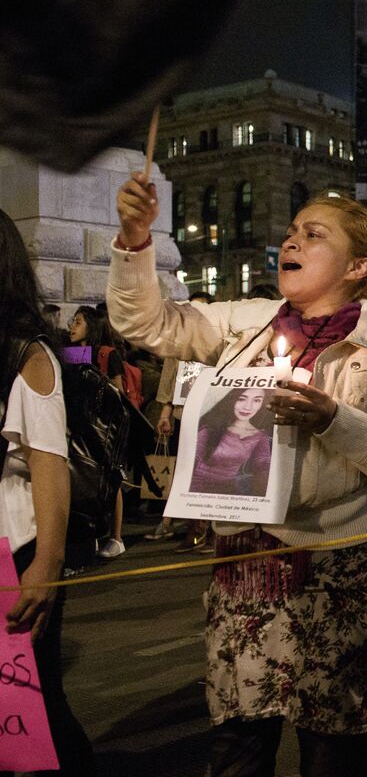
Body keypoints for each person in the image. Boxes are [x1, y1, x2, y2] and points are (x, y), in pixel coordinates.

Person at [110, 174, 367, 777]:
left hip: (342, 572)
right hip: (246, 569)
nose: (291, 242)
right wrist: (134, 241)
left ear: (359, 266)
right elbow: (146, 324)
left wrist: (334, 420)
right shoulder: (245, 325)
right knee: (238, 746)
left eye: (313, 235)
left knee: (331, 753)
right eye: (290, 233)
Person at [0, 208, 95, 775]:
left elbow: (48, 461)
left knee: (32, 706)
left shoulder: (27, 355)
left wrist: (49, 565)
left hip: (16, 555)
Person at [146, 290, 213, 546]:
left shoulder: (219, 341)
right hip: (184, 413)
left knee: (206, 469)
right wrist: (165, 414)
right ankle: (174, 521)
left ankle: (202, 526)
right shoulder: (179, 342)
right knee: (184, 469)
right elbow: (169, 377)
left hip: (209, 413)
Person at [67, 304, 131, 558]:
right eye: (73, 321)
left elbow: (118, 395)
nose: (72, 326)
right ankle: (90, 536)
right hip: (79, 426)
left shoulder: (107, 354)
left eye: (78, 322)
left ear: (91, 327)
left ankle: (116, 537)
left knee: (111, 480)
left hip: (104, 430)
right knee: (84, 480)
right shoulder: (72, 354)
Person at [188, 387, 274, 496]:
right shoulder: (211, 429)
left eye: (256, 400)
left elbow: (263, 467)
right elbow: (190, 462)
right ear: (232, 399)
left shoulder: (260, 437)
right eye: (241, 399)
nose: (248, 406)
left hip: (229, 493)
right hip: (196, 490)